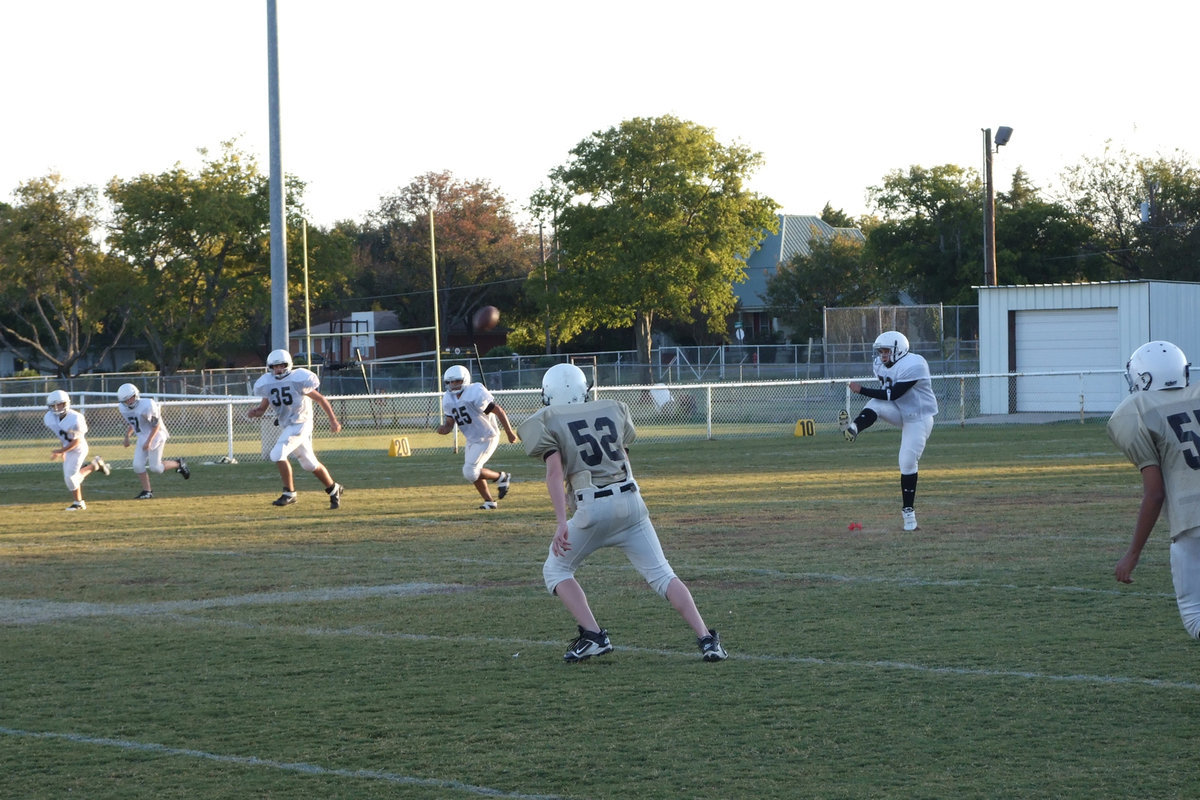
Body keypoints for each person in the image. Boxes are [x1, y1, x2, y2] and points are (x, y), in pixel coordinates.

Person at [517, 362, 728, 663]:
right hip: (631, 501)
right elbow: (624, 460)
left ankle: (593, 636)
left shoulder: (548, 419)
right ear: (583, 391)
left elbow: (553, 473)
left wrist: (562, 521)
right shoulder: (612, 408)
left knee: (556, 570)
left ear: (548, 394)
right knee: (662, 574)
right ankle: (707, 640)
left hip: (593, 507)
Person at [1107, 340, 1200, 638]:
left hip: (1192, 523)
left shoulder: (1136, 411)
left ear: (1143, 378)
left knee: (1195, 618)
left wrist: (1132, 554)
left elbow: (1155, 493)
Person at [838, 330, 938, 531]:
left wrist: (861, 389)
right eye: (881, 351)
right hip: (900, 411)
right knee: (875, 403)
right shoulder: (880, 365)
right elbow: (886, 397)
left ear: (899, 350)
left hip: (919, 419)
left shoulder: (915, 364)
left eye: (886, 351)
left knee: (907, 463)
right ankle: (854, 428)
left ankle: (909, 517)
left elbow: (893, 393)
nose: (882, 356)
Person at [247, 349, 345, 508]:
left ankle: (289, 493)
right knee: (309, 464)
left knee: (277, 453)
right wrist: (254, 412)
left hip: (302, 423)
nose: (278, 369)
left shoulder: (297, 380)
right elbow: (262, 409)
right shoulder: (268, 383)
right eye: (275, 366)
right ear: (270, 367)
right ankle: (334, 489)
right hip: (289, 426)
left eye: (282, 366)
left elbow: (320, 399)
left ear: (288, 365)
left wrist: (333, 420)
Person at [435, 364, 517, 510]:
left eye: (457, 381)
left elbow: (498, 410)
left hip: (487, 436)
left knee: (470, 471)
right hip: (472, 439)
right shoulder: (448, 398)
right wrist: (445, 429)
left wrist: (509, 432)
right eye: (450, 382)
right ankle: (490, 502)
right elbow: (450, 422)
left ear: (465, 380)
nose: (453, 385)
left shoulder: (474, 392)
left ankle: (501, 477)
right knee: (472, 471)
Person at [116, 383, 190, 499]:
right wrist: (127, 436)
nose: (129, 402)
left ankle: (179, 463)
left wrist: (149, 441)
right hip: (142, 437)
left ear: (136, 395)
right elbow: (134, 422)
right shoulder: (122, 408)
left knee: (156, 468)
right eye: (126, 400)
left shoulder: (148, 405)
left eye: (131, 398)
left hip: (157, 435)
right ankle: (147, 491)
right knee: (137, 466)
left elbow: (156, 425)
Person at [43, 389, 110, 511]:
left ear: (66, 403)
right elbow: (61, 435)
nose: (57, 408)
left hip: (78, 449)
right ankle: (95, 465)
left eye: (60, 404)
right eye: (54, 405)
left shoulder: (76, 418)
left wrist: (61, 450)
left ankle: (79, 503)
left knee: (70, 478)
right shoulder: (49, 418)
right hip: (68, 448)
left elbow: (77, 441)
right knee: (70, 478)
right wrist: (63, 450)